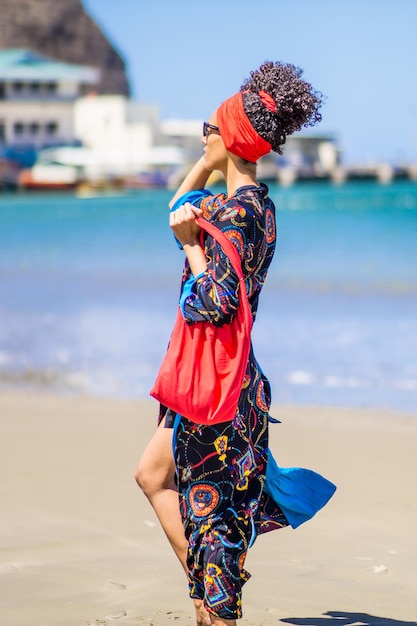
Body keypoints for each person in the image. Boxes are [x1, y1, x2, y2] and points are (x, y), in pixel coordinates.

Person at [135, 61, 324, 626]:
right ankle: (205, 593)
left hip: (219, 385)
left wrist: (192, 248)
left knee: (214, 522)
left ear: (232, 136)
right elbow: (177, 211)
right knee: (153, 476)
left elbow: (214, 301)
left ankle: (215, 607)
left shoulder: (237, 216)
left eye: (209, 128)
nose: (202, 136)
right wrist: (209, 159)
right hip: (219, 376)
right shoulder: (253, 204)